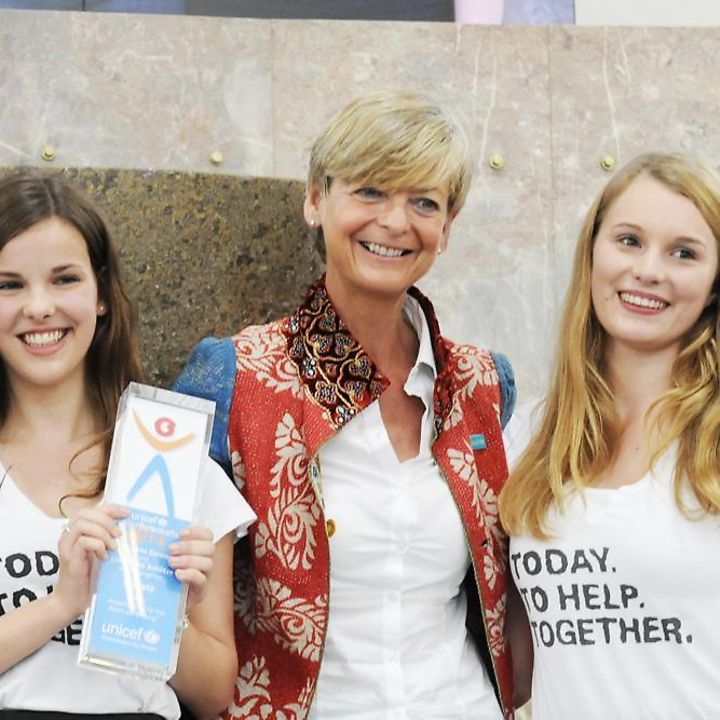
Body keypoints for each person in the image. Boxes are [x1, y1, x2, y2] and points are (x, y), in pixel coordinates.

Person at [175, 90, 518, 720]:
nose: (394, 221)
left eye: (423, 202)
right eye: (369, 192)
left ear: (447, 225)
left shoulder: (484, 385)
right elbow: (175, 605)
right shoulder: (233, 377)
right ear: (314, 200)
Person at [0, 172, 255, 719]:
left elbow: (213, 698)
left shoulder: (177, 458)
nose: (39, 307)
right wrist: (67, 603)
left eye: (64, 279)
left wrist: (163, 619)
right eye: (10, 285)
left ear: (100, 296)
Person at [499, 153, 720, 719]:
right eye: (629, 240)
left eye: (684, 253)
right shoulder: (529, 437)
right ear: (593, 253)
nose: (649, 270)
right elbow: (514, 663)